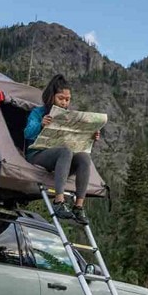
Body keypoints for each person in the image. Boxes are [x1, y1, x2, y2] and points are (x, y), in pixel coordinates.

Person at [23, 74, 100, 225]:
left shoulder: (69, 116)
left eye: (67, 99)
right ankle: (59, 202)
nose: (64, 102)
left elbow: (78, 143)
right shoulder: (38, 113)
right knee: (65, 151)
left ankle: (78, 206)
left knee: (84, 157)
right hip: (37, 155)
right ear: (51, 97)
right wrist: (41, 125)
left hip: (62, 159)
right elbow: (27, 133)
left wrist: (91, 137)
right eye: (61, 98)